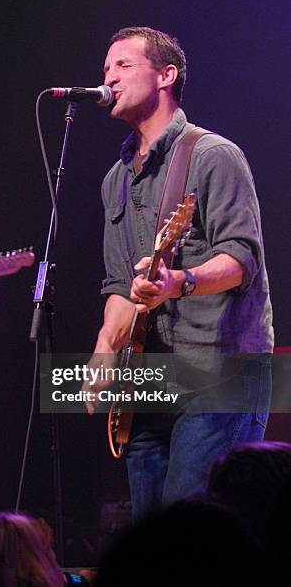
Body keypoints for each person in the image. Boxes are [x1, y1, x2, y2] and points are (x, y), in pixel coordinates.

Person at [83, 27, 273, 522]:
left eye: (123, 65)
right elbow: (119, 285)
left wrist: (180, 282)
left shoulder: (213, 155)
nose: (109, 78)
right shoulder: (114, 182)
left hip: (218, 372)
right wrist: (105, 350)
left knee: (197, 537)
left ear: (166, 75)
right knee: (152, 538)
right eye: (106, 69)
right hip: (148, 380)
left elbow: (241, 259)